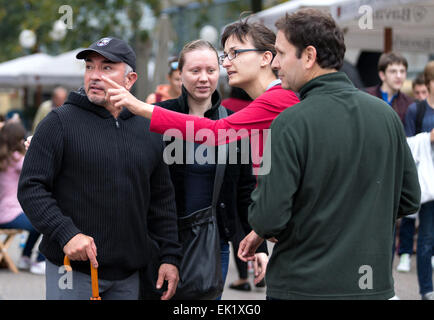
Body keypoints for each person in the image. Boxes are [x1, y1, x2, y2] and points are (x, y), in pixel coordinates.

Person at [238, 8, 421, 300]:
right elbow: (410, 198)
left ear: (308, 56)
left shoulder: (290, 122)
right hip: (370, 285)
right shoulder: (385, 116)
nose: (275, 63)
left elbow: (269, 217)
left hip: (302, 285)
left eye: (281, 53)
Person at [17, 37, 181, 300]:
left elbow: (162, 201)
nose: (95, 75)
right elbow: (31, 188)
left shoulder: (149, 128)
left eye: (106, 68)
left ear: (130, 79)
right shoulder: (58, 122)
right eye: (89, 67)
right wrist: (66, 234)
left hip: (130, 274)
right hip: (71, 271)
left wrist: (170, 256)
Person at [146, 39, 263, 298]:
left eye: (210, 70)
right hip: (163, 242)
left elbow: (245, 191)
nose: (203, 78)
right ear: (180, 75)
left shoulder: (233, 125)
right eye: (195, 71)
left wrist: (260, 247)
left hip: (213, 243)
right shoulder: (157, 116)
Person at [103, 19, 299, 169]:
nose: (227, 63)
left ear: (266, 57)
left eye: (235, 53)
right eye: (225, 55)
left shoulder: (279, 98)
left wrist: (139, 106)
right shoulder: (275, 98)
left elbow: (215, 132)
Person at [403, 61, 434, 300]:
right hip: (428, 183)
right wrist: (429, 138)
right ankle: (426, 290)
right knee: (425, 238)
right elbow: (407, 146)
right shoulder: (417, 110)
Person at [396, 72, 431, 273]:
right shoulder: (415, 110)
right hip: (417, 167)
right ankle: (405, 253)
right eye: (417, 92)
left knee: (427, 218)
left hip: (429, 168)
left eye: (423, 92)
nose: (420, 95)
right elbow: (409, 141)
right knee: (410, 213)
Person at [0, 121, 45, 275]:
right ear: (18, 139)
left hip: (4, 213)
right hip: (10, 214)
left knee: (37, 223)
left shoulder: (4, 158)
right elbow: (37, 166)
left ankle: (25, 257)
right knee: (47, 223)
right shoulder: (16, 159)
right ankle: (39, 261)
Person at [365, 52, 414, 123]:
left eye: (402, 71)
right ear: (382, 75)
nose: (399, 76)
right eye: (393, 71)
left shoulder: (409, 103)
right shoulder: (367, 96)